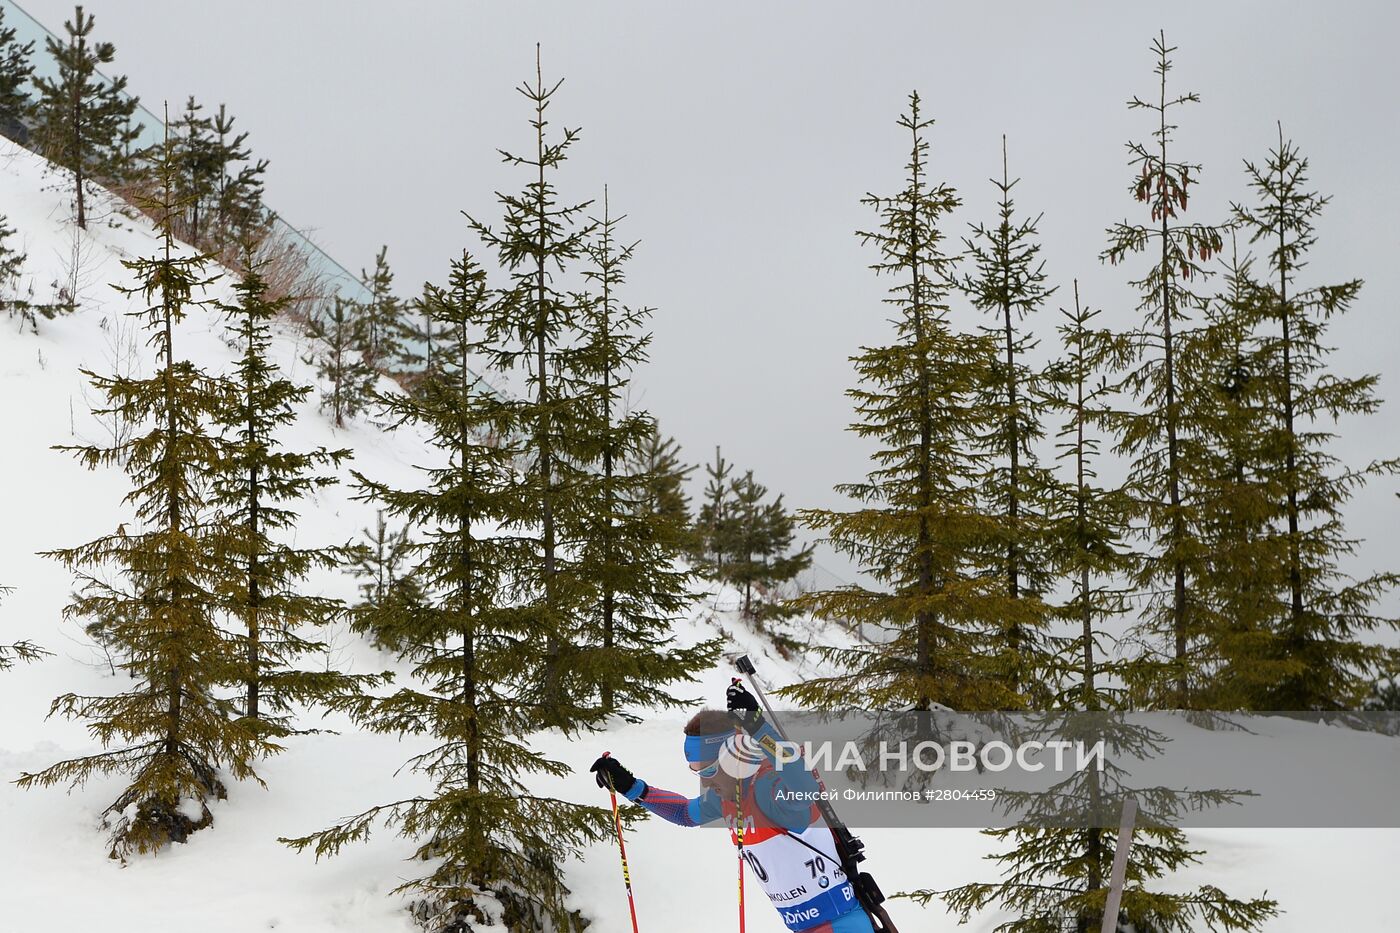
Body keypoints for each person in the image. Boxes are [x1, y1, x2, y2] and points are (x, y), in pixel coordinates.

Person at [590, 682, 876, 933]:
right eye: (695, 770)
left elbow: (804, 788)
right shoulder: (728, 798)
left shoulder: (770, 786)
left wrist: (758, 727)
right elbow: (685, 813)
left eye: (708, 769)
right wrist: (631, 787)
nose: (704, 779)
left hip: (841, 925)